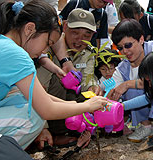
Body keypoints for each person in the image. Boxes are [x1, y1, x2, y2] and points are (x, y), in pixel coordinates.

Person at [0, 0, 107, 150]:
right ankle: (3, 153)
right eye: (48, 42)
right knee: (34, 116)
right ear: (29, 29)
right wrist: (86, 106)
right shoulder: (17, 55)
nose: (44, 51)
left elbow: (36, 95)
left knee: (19, 97)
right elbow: (45, 108)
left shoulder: (1, 43)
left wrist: (78, 105)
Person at [37, 8, 104, 147]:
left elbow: (87, 79)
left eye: (87, 35)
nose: (80, 39)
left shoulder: (88, 53)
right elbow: (37, 92)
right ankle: (53, 133)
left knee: (92, 96)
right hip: (46, 105)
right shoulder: (48, 49)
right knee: (60, 81)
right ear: (65, 27)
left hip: (67, 104)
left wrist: (93, 86)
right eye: (75, 32)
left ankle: (81, 129)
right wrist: (42, 128)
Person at [110, 19, 153, 142]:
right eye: (120, 48)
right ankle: (145, 125)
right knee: (124, 89)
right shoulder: (123, 67)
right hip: (147, 99)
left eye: (128, 45)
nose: (125, 51)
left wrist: (128, 84)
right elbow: (112, 87)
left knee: (131, 86)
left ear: (141, 39)